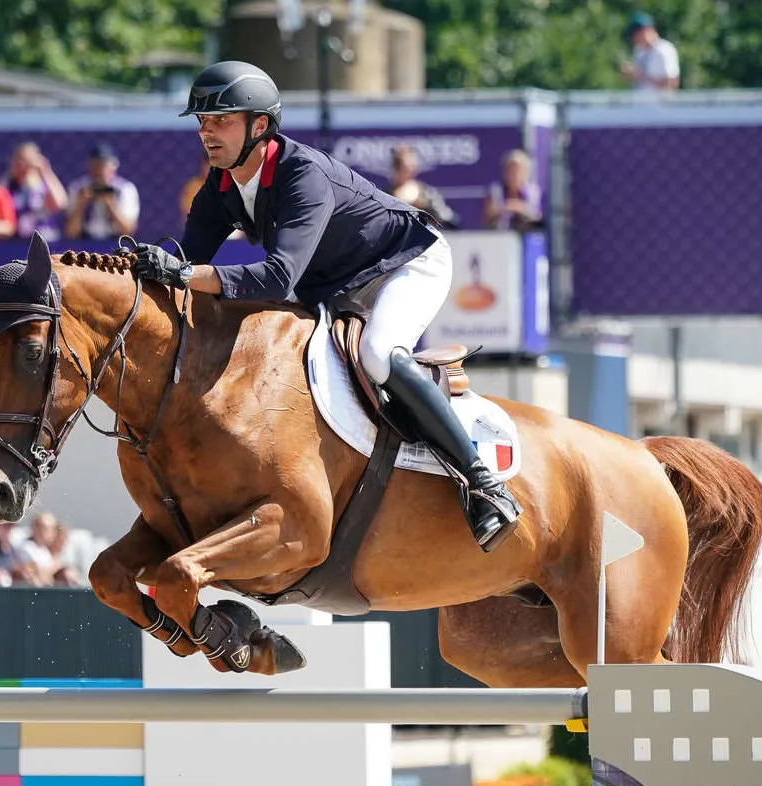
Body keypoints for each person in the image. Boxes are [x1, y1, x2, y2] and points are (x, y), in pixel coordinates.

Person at [131, 61, 521, 551]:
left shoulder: (302, 174)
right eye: (203, 122)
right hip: (332, 280)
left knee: (379, 353)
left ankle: (484, 484)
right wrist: (148, 268)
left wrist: (183, 273)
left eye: (221, 120)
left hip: (404, 261)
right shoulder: (221, 185)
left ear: (259, 126)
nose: (208, 132)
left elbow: (274, 276)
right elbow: (188, 262)